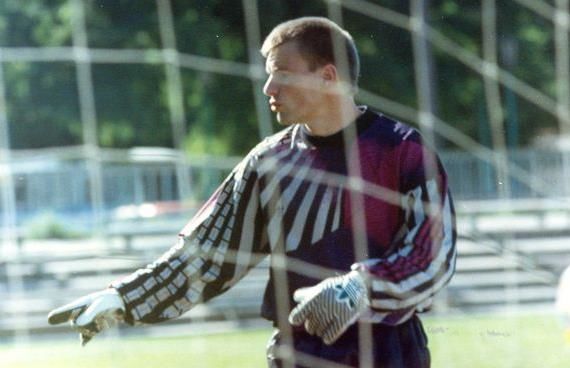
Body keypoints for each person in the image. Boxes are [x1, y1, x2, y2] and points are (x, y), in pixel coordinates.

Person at [48, 16, 457, 367]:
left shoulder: (403, 150)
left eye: (281, 72)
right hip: (298, 352)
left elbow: (434, 256)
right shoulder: (269, 161)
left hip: (387, 353)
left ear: (328, 76)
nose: (268, 87)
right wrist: (124, 298)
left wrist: (358, 289)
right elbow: (206, 256)